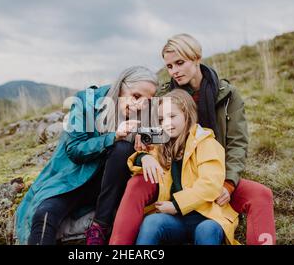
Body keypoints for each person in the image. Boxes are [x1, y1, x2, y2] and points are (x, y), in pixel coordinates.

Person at [110, 34, 276, 245]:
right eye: (169, 66)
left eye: (180, 63)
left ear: (197, 58)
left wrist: (228, 184)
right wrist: (144, 153)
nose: (174, 71)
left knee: (260, 194)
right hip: (172, 167)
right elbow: (148, 134)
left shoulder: (227, 95)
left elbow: (237, 144)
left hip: (213, 171)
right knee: (137, 183)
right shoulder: (164, 94)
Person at [14, 66, 158, 245]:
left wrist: (145, 148)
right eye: (136, 96)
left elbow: (161, 139)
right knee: (45, 213)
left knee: (122, 149)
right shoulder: (87, 102)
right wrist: (113, 137)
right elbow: (75, 149)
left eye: (148, 100)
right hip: (72, 179)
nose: (141, 105)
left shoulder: (148, 112)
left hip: (110, 184)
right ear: (121, 87)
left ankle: (99, 227)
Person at [131, 89, 239, 245]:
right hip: (176, 220)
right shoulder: (163, 145)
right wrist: (144, 157)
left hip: (207, 216)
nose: (166, 123)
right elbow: (135, 163)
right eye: (161, 119)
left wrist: (176, 205)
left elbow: (210, 185)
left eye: (172, 116)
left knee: (207, 230)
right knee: (152, 222)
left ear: (187, 115)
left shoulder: (207, 143)